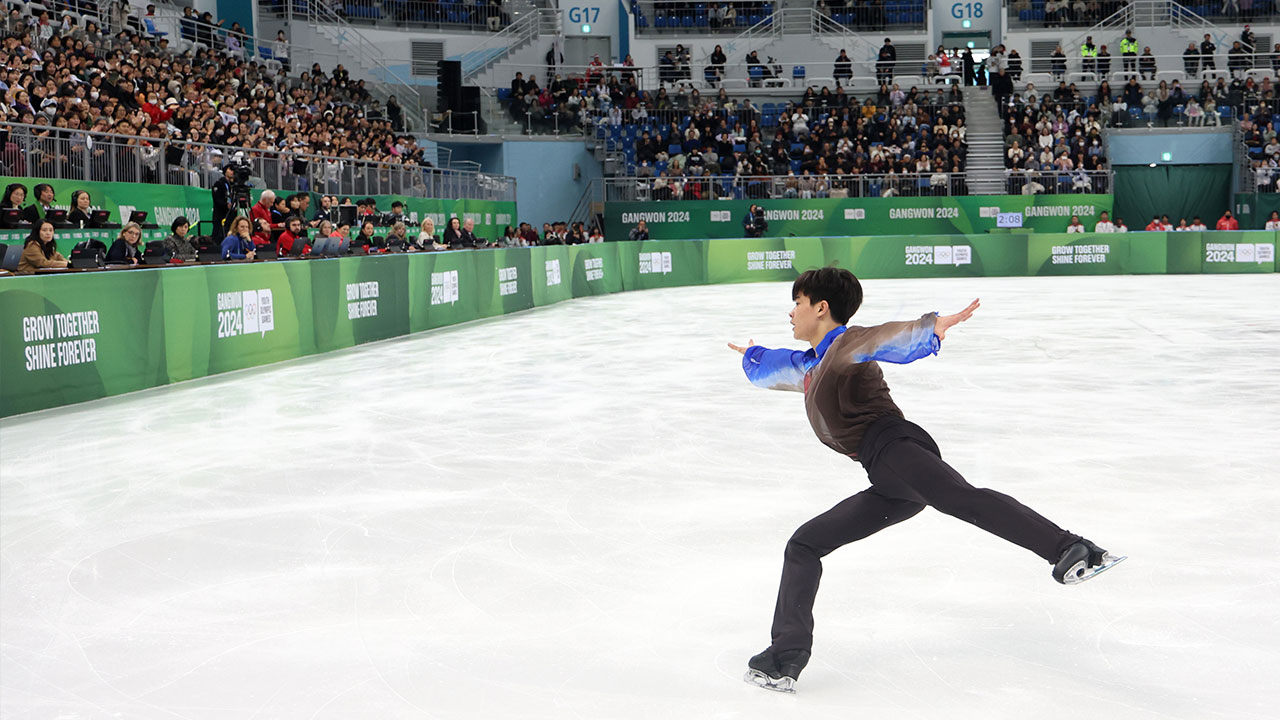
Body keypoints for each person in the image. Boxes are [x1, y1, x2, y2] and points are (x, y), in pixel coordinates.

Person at [728, 268, 1118, 693]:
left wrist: (929, 329)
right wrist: (752, 354)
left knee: (962, 498)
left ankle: (1069, 548)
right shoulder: (815, 362)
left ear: (821, 308)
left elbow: (882, 337)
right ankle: (784, 658)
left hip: (896, 449)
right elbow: (778, 364)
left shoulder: (846, 343)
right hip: (889, 477)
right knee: (804, 544)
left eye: (798, 303)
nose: (791, 312)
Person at [211, 164, 237, 237]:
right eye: (230, 169)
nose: (232, 172)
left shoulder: (234, 185)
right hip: (220, 215)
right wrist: (226, 205)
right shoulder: (220, 183)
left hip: (231, 215)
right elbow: (217, 199)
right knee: (219, 235)